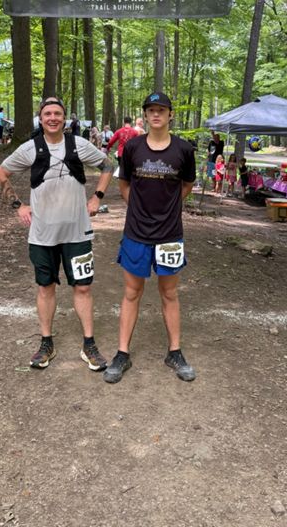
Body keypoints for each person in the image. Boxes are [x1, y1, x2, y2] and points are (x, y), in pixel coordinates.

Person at [0, 97, 114, 371]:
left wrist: (97, 197)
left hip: (77, 232)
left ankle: (89, 344)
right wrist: (18, 205)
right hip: (42, 234)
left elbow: (108, 165)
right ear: (40, 118)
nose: (52, 118)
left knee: (83, 287)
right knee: (45, 286)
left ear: (64, 117)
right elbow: (0, 174)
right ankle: (46, 343)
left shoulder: (78, 144)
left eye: (57, 113)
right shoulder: (29, 148)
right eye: (47, 113)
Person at [104, 91, 197, 384]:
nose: (156, 114)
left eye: (161, 110)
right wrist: (139, 209)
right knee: (132, 292)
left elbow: (187, 185)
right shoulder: (132, 147)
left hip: (170, 234)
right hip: (136, 232)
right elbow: (123, 184)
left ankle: (175, 352)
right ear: (145, 115)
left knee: (169, 293)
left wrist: (167, 209)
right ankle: (122, 353)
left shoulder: (184, 150)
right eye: (151, 110)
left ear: (170, 115)